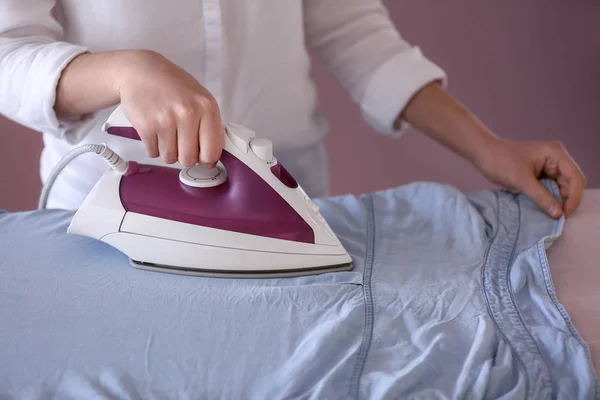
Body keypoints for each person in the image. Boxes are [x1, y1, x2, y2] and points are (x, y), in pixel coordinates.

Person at [0, 1, 586, 217]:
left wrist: (489, 148)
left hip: (281, 181)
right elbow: (7, 50)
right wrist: (125, 70)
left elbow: (356, 33)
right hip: (110, 195)